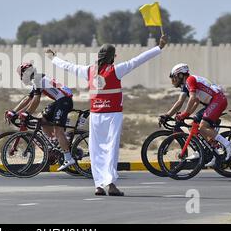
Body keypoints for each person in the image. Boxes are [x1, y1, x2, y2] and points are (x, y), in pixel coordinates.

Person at [46, 35, 167, 196]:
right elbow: (138, 60)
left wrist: (53, 58)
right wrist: (158, 47)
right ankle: (110, 184)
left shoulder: (89, 70)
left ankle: (98, 185)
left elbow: (69, 66)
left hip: (96, 116)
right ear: (112, 57)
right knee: (111, 149)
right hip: (113, 115)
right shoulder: (116, 70)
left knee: (95, 150)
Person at [5, 62, 76, 171]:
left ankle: (68, 157)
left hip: (64, 102)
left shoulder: (38, 79)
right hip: (59, 101)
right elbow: (28, 99)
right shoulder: (37, 79)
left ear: (26, 73)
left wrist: (27, 113)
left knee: (58, 131)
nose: (21, 78)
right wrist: (14, 112)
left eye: (21, 75)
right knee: (41, 118)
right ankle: (56, 145)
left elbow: (36, 100)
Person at [168, 63, 231, 167]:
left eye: (174, 77)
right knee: (193, 126)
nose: (173, 80)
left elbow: (193, 99)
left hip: (217, 100)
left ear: (180, 75)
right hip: (213, 102)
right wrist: (167, 115)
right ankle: (214, 153)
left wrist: (184, 114)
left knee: (203, 127)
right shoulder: (185, 86)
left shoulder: (190, 80)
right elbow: (187, 102)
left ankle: (227, 145)